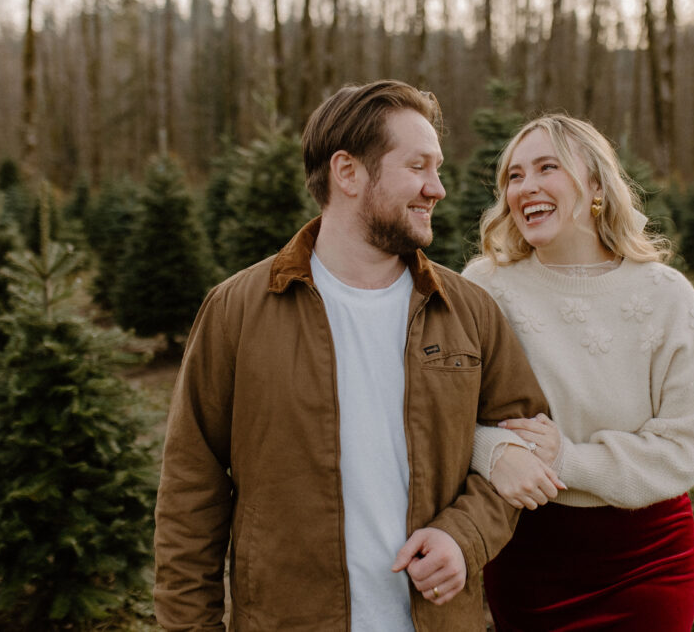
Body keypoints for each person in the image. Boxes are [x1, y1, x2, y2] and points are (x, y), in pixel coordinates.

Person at [152, 80, 553, 631]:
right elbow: (190, 492)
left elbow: (525, 441)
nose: (437, 188)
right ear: (348, 172)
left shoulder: (469, 312)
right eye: (418, 167)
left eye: (437, 168)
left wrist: (465, 538)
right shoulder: (236, 312)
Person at [464, 114, 694, 631]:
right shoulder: (486, 288)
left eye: (546, 167)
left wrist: (567, 458)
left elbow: (689, 442)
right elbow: (440, 412)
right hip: (530, 555)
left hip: (647, 556)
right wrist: (494, 452)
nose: (526, 187)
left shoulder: (666, 296)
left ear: (597, 185)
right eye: (514, 176)